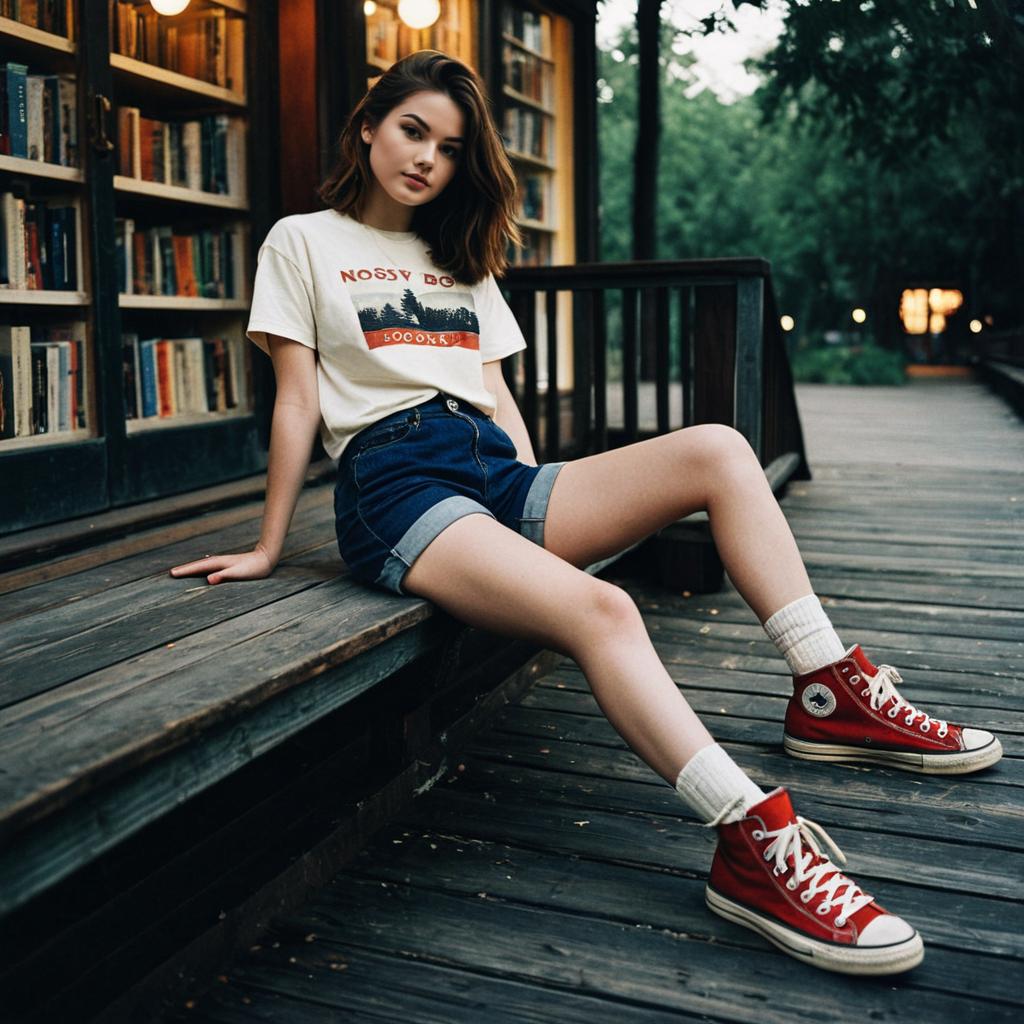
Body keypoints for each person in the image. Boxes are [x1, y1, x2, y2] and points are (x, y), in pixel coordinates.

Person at [169, 50, 1001, 976]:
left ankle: (825, 690)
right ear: (368, 126)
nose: (426, 160)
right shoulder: (302, 239)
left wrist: (533, 500)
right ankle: (749, 839)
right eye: (412, 131)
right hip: (395, 486)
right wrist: (269, 543)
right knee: (604, 609)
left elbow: (495, 394)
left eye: (448, 148)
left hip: (490, 471)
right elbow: (296, 401)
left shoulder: (457, 252)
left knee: (720, 450)